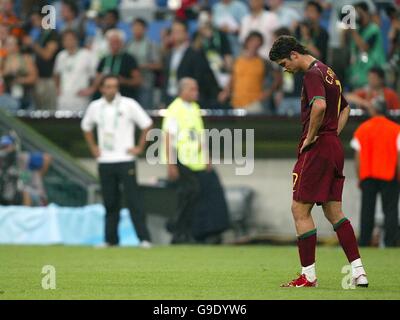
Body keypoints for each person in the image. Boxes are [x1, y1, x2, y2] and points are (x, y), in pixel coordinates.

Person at [269, 35, 368, 287]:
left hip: (318, 148)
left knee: (299, 208)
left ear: (293, 54)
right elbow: (344, 108)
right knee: (334, 211)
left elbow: (320, 107)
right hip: (333, 147)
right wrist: (333, 134)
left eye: (284, 63)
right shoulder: (328, 72)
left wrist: (311, 137)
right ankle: (359, 272)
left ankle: (308, 276)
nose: (286, 69)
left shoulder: (312, 75)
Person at [81, 75, 153, 248]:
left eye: (114, 86)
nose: (111, 89)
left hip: (125, 159)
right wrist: (93, 147)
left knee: (134, 200)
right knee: (110, 202)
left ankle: (144, 239)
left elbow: (147, 124)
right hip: (105, 160)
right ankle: (110, 239)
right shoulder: (95, 106)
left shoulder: (129, 104)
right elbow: (86, 127)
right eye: (108, 86)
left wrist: (139, 147)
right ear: (101, 89)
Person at [162, 77, 229, 244]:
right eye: (192, 89)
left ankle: (206, 231)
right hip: (182, 160)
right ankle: (179, 231)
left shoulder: (194, 108)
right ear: (182, 91)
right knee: (189, 195)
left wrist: (207, 157)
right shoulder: (174, 110)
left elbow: (200, 135)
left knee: (209, 192)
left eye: (196, 89)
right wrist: (171, 164)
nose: (196, 93)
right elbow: (168, 138)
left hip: (197, 161)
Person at [351, 97, 400, 247]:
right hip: (389, 175)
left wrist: (360, 177)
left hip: (368, 175)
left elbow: (357, 157)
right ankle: (391, 243)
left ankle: (365, 243)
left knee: (367, 211)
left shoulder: (362, 129)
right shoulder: (396, 128)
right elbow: (399, 156)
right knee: (390, 210)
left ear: (373, 110)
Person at [162, 19, 219, 109]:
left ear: (186, 34)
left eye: (178, 31)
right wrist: (163, 99)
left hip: (188, 101)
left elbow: (200, 78)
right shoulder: (169, 55)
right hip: (170, 98)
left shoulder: (195, 54)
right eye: (173, 31)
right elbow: (166, 79)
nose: (175, 34)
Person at [219, 31, 281, 113]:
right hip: (236, 103)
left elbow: (277, 78)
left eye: (257, 43)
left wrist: (267, 94)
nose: (254, 45)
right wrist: (225, 92)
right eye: (253, 41)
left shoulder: (263, 62)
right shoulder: (237, 61)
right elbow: (232, 79)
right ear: (247, 42)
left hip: (254, 104)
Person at [79, 28, 142, 101]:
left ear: (122, 43)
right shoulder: (104, 59)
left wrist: (124, 81)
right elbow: (97, 79)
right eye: (112, 41)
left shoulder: (129, 59)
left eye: (117, 41)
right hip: (105, 98)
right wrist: (91, 89)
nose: (114, 44)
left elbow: (138, 81)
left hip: (124, 97)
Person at [22, 10, 59, 110]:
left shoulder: (53, 34)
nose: (33, 23)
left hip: (48, 79)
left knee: (49, 111)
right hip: (38, 79)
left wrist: (32, 44)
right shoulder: (40, 35)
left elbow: (47, 55)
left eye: (35, 20)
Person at [54, 30, 98, 112]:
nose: (68, 42)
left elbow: (96, 75)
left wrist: (92, 89)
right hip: (63, 98)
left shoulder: (87, 55)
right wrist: (57, 88)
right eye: (65, 40)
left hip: (80, 98)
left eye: (70, 39)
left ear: (76, 40)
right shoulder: (61, 56)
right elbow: (56, 74)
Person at [345, 1, 386, 90]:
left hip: (372, 75)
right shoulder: (357, 30)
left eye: (359, 13)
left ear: (367, 13)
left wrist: (352, 30)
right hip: (357, 74)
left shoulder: (374, 29)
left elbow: (364, 47)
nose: (357, 16)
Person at [126, 18, 162, 109]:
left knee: (145, 110)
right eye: (134, 28)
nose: (136, 30)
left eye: (139, 27)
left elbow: (159, 65)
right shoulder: (128, 44)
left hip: (146, 84)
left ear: (145, 29)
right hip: (130, 84)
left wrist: (142, 66)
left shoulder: (151, 45)